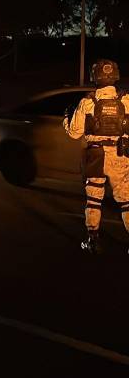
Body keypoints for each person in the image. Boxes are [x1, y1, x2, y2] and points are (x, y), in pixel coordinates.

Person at [63, 58, 129, 254]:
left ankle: (92, 240)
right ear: (115, 75)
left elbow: (74, 133)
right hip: (120, 156)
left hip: (96, 156)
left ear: (95, 77)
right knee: (126, 201)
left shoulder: (87, 102)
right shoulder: (126, 100)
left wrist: (66, 119)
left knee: (94, 199)